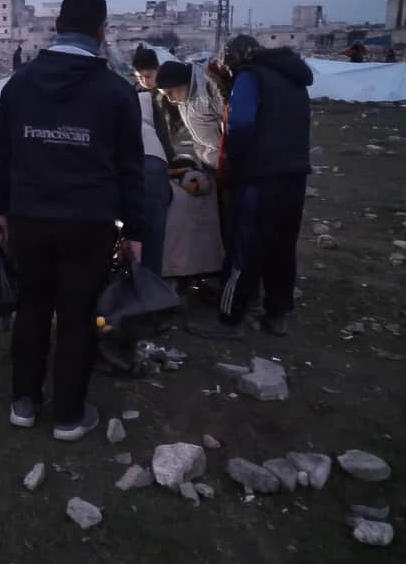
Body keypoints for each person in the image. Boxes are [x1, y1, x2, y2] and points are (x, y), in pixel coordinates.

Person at [0, 0, 146, 442]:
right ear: (101, 31)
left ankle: (24, 402)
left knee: (32, 304)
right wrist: (135, 230)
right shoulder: (117, 92)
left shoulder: (20, 84)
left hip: (28, 218)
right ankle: (69, 416)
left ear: (56, 29)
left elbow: (1, 154)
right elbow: (130, 169)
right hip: (89, 223)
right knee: (77, 314)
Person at [189, 35, 312, 339]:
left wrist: (234, 164)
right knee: (282, 246)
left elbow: (240, 124)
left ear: (233, 59)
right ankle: (278, 314)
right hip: (295, 174)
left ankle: (232, 320)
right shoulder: (293, 77)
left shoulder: (249, 75)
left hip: (260, 177)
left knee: (244, 248)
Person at [132, 49, 171, 276]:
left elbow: (165, 134)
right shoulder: (135, 94)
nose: (144, 81)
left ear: (157, 71)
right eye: (139, 77)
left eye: (148, 76)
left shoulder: (165, 93)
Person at [155, 60, 224, 171]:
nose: (170, 99)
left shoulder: (207, 92)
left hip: (225, 160)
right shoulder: (183, 98)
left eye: (170, 93)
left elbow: (229, 121)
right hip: (209, 161)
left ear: (179, 82)